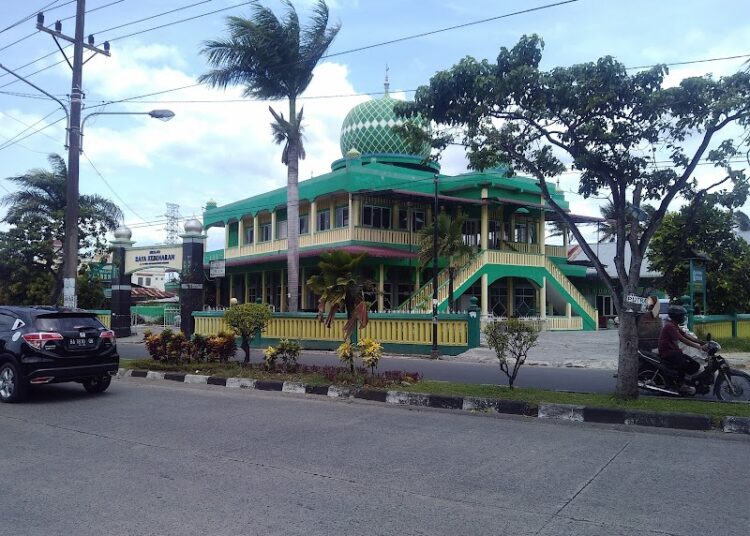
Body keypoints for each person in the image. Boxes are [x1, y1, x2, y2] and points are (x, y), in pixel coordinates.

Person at [657, 305, 705, 395]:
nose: (684, 317)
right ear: (677, 316)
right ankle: (681, 384)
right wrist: (698, 347)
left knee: (692, 363)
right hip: (668, 352)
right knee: (684, 363)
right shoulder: (670, 327)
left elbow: (686, 335)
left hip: (674, 351)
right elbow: (682, 339)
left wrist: (701, 342)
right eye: (682, 316)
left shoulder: (674, 325)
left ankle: (687, 381)